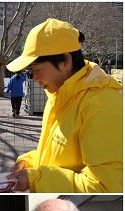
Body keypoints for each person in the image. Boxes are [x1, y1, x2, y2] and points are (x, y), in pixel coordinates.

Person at [7, 18, 122, 193]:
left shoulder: (101, 105)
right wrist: (31, 162)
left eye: (36, 70)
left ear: (65, 61)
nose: (33, 78)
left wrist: (37, 179)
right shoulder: (59, 95)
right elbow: (64, 158)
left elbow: (106, 187)